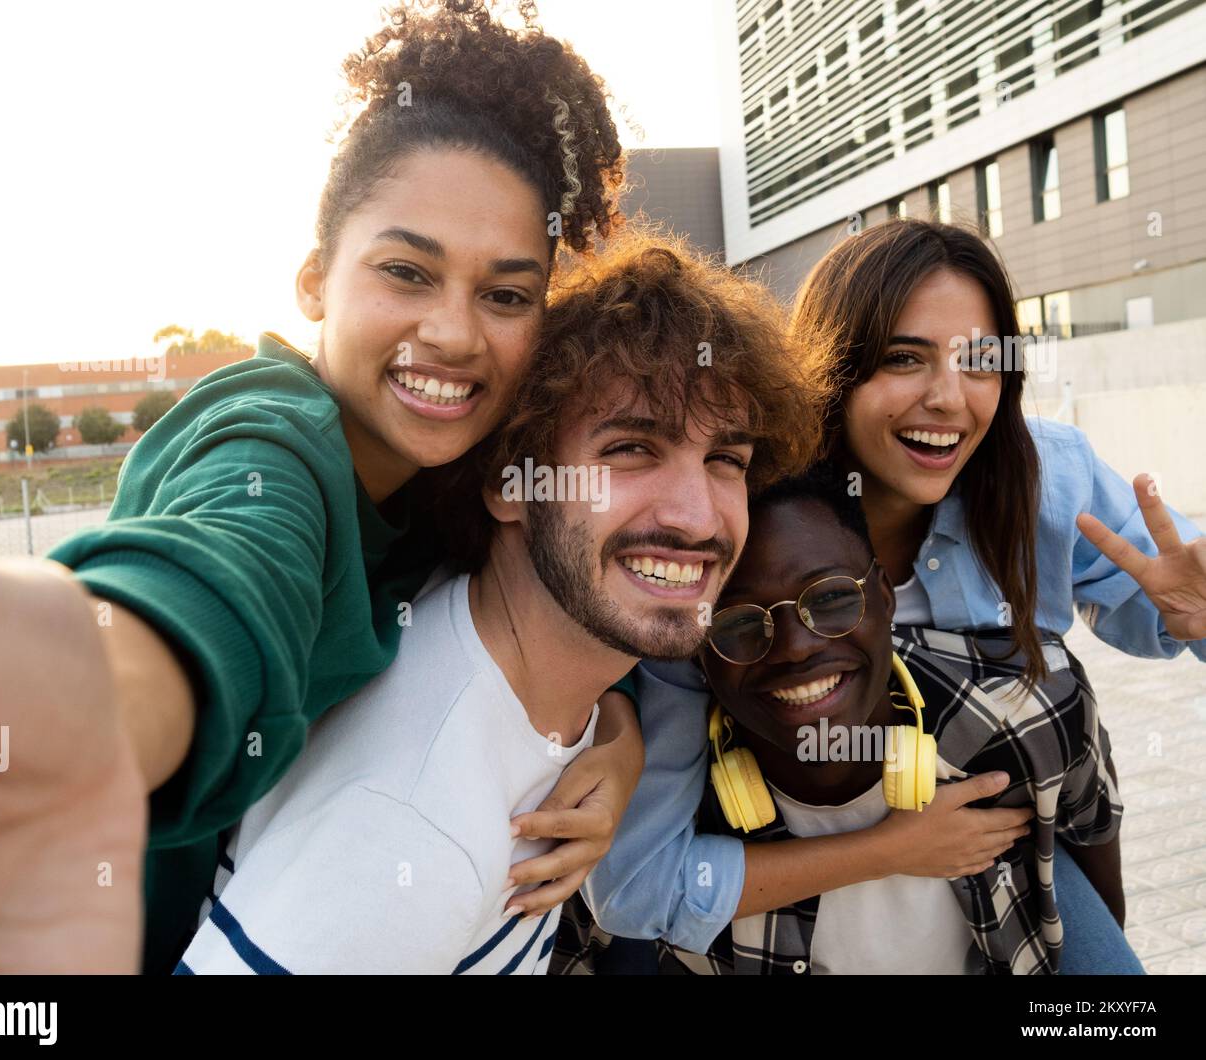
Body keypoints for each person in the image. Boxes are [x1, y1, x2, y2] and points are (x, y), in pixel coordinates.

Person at [0, 0, 643, 975]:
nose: (455, 333)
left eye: (505, 295)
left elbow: (576, 613)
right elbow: (216, 589)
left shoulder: (459, 469)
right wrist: (55, 710)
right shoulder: (270, 442)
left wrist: (618, 739)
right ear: (312, 281)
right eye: (406, 272)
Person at [541, 220, 1204, 974]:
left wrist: (1199, 619)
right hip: (780, 847)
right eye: (902, 358)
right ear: (831, 367)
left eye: (980, 361)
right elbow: (642, 862)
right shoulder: (741, 511)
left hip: (985, 838)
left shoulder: (1044, 479)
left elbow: (1171, 599)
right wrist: (622, 725)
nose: (948, 398)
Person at [175, 229, 830, 973]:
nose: (697, 516)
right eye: (630, 449)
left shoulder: (482, 641)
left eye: (725, 459)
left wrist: (620, 736)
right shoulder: (408, 833)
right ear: (509, 485)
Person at [560, 463, 1121, 974]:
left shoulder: (1031, 710)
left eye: (830, 599)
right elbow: (620, 908)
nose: (796, 648)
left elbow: (1098, 903)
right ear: (697, 654)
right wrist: (887, 851)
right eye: (739, 624)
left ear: (886, 596)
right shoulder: (666, 816)